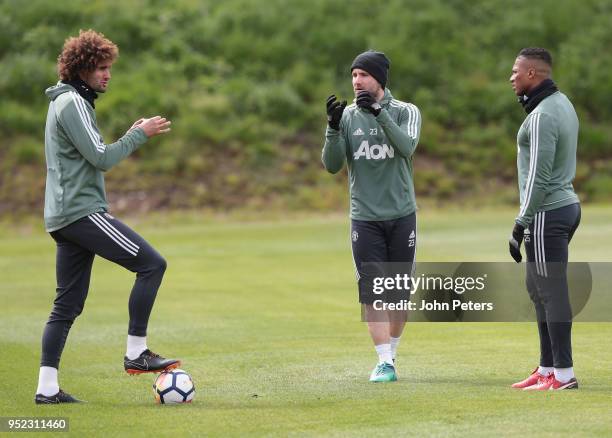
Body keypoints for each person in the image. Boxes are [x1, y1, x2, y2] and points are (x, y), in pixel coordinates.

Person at [36, 30, 180, 404]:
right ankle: (136, 353)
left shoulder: (68, 102)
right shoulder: (72, 103)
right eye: (101, 68)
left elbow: (93, 153)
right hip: (80, 213)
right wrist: (140, 136)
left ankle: (46, 389)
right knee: (152, 264)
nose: (107, 75)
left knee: (66, 305)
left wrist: (129, 135)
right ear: (81, 69)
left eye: (108, 68)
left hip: (64, 215)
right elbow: (102, 158)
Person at [322, 50, 421, 382]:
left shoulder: (407, 111)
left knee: (399, 294)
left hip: (402, 215)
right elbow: (332, 165)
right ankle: (384, 363)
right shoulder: (348, 116)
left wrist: (379, 114)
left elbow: (407, 147)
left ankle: (391, 353)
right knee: (374, 291)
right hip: (364, 218)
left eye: (363, 74)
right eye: (353, 75)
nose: (357, 81)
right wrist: (333, 128)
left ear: (379, 79)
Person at [508, 48, 581, 390]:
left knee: (550, 292)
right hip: (563, 206)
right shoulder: (562, 103)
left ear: (533, 74)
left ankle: (563, 375)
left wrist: (522, 221)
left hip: (547, 211)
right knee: (539, 290)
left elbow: (538, 174)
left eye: (516, 72)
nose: (512, 78)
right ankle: (547, 368)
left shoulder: (541, 116)